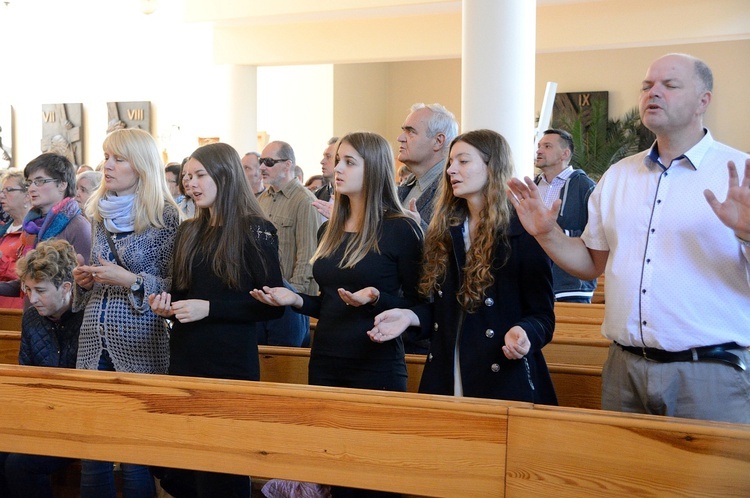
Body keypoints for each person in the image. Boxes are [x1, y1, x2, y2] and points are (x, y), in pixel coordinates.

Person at [507, 53, 750, 424]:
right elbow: (591, 263)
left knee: (707, 483)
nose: (653, 93)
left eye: (669, 85)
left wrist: (746, 234)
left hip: (708, 372)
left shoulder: (738, 173)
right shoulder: (619, 176)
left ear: (704, 100)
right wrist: (546, 233)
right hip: (624, 368)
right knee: (621, 482)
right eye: (647, 86)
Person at [252, 132, 423, 498]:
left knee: (369, 479)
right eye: (338, 161)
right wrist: (295, 300)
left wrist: (377, 299)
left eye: (349, 162)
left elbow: (422, 304)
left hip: (375, 362)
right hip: (327, 359)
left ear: (374, 168)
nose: (337, 170)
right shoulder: (329, 228)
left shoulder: (400, 229)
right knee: (329, 471)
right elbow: (330, 303)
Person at [369, 129, 556, 404]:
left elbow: (542, 315)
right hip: (446, 370)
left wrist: (525, 333)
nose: (451, 170)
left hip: (500, 375)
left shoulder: (522, 230)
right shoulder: (447, 230)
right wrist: (410, 316)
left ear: (492, 167)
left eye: (463, 161)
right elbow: (446, 311)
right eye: (450, 162)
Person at [149, 142, 284, 498]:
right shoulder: (189, 230)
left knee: (221, 474)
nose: (191, 184)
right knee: (184, 473)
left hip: (229, 364)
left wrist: (211, 309)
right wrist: (166, 304)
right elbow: (184, 293)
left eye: (200, 175)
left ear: (225, 176)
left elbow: (272, 305)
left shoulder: (256, 229)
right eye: (187, 177)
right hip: (186, 357)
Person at [72, 128, 181, 497]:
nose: (108, 165)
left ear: (142, 165)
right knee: (93, 450)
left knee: (134, 454)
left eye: (119, 158)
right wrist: (85, 281)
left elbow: (173, 285)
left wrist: (130, 280)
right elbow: (96, 272)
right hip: (93, 337)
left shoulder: (165, 216)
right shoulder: (97, 211)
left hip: (139, 339)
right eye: (106, 157)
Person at [0, 239, 81, 498]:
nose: (32, 299)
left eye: (41, 290)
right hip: (41, 416)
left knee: (20, 465)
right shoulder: (33, 317)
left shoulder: (88, 317)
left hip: (78, 422)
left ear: (66, 287)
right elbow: (27, 374)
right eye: (28, 289)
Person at [0, 153, 92, 302]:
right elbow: (29, 283)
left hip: (65, 321)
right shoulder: (31, 227)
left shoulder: (78, 226)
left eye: (40, 181)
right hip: (32, 315)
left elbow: (87, 285)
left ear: (62, 184)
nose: (31, 188)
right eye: (29, 183)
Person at [256, 140, 320, 347]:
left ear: (287, 165)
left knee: (282, 364)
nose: (262, 167)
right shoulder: (261, 200)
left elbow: (308, 255)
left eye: (269, 162)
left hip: (290, 301)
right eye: (261, 161)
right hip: (263, 296)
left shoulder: (304, 201)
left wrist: (295, 298)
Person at [534, 128, 597, 302]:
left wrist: (558, 234)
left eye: (547, 146)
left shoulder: (585, 187)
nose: (539, 150)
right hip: (532, 283)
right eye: (539, 146)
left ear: (564, 154)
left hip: (570, 286)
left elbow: (598, 235)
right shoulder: (532, 187)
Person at [396, 102, 458, 227]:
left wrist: (418, 226)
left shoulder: (454, 190)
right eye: (404, 131)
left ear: (438, 141)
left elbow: (452, 244)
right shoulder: (408, 185)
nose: (400, 138)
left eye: (411, 132)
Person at [0, 171, 30, 308]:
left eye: (9, 190)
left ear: (27, 195)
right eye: (2, 191)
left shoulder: (34, 231)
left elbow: (29, 273)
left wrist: (2, 262)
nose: (2, 195)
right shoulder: (4, 229)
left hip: (16, 306)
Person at [312, 137, 339, 220]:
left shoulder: (355, 197)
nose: (322, 161)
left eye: (328, 156)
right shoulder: (317, 195)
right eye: (324, 156)